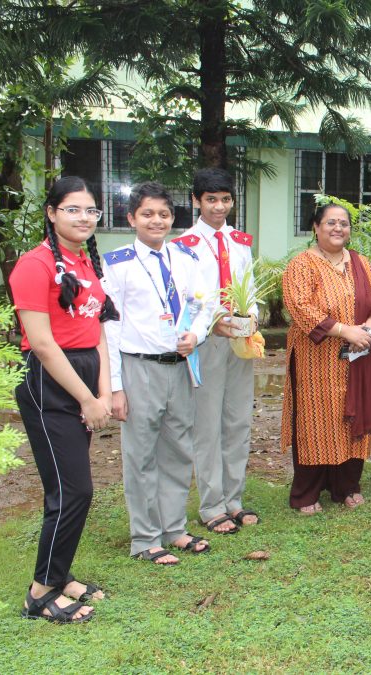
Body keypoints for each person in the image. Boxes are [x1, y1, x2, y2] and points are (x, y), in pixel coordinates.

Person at [12, 176, 117, 623]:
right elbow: (42, 344)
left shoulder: (84, 263)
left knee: (68, 488)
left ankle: (59, 575)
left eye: (90, 210)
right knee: (73, 491)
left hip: (84, 375)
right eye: (72, 209)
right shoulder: (33, 265)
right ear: (52, 212)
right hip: (50, 383)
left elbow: (97, 334)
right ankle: (39, 593)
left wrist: (104, 390)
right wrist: (85, 399)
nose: (83, 218)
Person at [104, 182, 215, 564]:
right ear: (132, 218)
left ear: (173, 218)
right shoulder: (117, 263)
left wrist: (196, 335)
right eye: (148, 214)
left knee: (178, 450)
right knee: (141, 455)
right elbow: (111, 327)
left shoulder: (185, 259)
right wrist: (115, 388)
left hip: (179, 366)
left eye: (164, 214)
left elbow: (206, 304)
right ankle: (144, 538)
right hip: (140, 368)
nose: (157, 221)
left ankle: (174, 529)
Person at [280, 203, 371, 513]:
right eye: (330, 222)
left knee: (351, 417)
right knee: (315, 421)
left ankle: (346, 486)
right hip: (316, 358)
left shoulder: (360, 263)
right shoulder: (301, 265)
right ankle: (307, 493)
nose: (338, 228)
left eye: (343, 223)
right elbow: (299, 306)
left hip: (357, 356)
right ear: (315, 227)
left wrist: (367, 329)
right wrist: (345, 331)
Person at [173, 168, 257, 534]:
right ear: (196, 201)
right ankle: (212, 505)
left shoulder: (240, 241)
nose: (219, 207)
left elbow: (249, 286)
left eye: (225, 199)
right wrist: (212, 324)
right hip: (205, 341)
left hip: (238, 339)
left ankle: (234, 499)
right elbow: (186, 300)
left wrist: (250, 318)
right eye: (211, 200)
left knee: (237, 420)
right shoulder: (183, 246)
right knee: (207, 425)